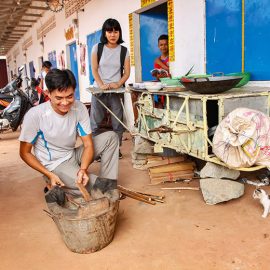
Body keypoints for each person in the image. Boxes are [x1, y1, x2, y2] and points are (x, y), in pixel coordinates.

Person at [19, 68, 120, 199]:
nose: (65, 103)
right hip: (54, 165)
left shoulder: (79, 108)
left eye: (70, 96)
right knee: (93, 186)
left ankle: (108, 185)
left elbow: (88, 145)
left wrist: (83, 169)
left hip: (72, 154)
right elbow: (24, 153)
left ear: (74, 91)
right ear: (48, 94)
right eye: (59, 98)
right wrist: (49, 174)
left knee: (111, 137)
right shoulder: (35, 116)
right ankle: (56, 183)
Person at [90, 18, 130, 159]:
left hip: (116, 91)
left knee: (117, 122)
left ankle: (116, 149)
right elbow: (94, 69)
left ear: (119, 33)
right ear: (105, 33)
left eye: (116, 31)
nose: (113, 35)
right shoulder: (97, 48)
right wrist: (101, 84)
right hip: (99, 90)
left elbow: (127, 73)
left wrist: (118, 84)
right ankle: (96, 151)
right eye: (109, 31)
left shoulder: (124, 51)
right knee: (95, 122)